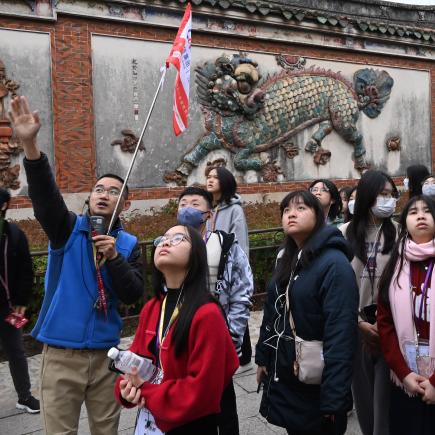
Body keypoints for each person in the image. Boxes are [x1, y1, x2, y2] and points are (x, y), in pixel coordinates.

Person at [9, 95, 144, 434]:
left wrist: (113, 258)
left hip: (105, 356)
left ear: (124, 204)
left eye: (114, 191)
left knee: (106, 430)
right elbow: (44, 197)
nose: (103, 193)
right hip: (60, 356)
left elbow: (133, 294)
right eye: (98, 188)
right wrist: (30, 145)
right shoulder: (66, 229)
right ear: (88, 198)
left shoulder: (129, 246)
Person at [115, 225, 239, 434]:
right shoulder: (152, 307)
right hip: (150, 420)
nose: (165, 242)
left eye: (178, 238)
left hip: (191, 425)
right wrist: (126, 388)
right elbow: (135, 360)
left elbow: (201, 391)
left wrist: (145, 390)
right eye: (162, 238)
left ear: (197, 255)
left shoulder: (207, 313)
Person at [255, 190, 358, 435]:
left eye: (301, 209)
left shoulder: (334, 264)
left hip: (317, 383)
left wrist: (334, 398)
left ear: (319, 216)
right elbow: (273, 311)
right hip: (290, 373)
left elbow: (341, 333)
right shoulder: (289, 258)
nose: (291, 214)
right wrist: (263, 357)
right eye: (286, 210)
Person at [177, 186, 254, 435]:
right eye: (183, 203)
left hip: (217, 342)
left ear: (209, 215)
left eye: (195, 204)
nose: (188, 208)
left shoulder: (226, 246)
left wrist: (232, 337)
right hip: (180, 343)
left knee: (224, 407)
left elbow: (242, 293)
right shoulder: (166, 245)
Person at [340, 170, 399, 435]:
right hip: (356, 329)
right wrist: (357, 322)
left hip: (392, 328)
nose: (388, 200)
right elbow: (337, 287)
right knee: (364, 402)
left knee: (386, 404)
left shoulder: (399, 232)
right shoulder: (343, 234)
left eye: (391, 194)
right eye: (382, 194)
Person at [378, 195, 435, 434]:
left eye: (427, 211)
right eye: (413, 212)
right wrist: (404, 373)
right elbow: (385, 321)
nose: (420, 216)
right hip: (405, 376)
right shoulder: (396, 264)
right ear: (405, 223)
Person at [206, 166, 252, 368]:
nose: (210, 180)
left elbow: (240, 242)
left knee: (236, 308)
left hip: (231, 266)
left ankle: (243, 353)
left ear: (225, 181)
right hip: (211, 267)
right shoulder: (208, 208)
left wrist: (239, 271)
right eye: (208, 177)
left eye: (215, 177)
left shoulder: (234, 209)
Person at [0, 188, 39, 414]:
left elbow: (26, 269)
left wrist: (22, 299)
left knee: (16, 351)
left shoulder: (14, 235)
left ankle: (24, 397)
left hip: (8, 306)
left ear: (3, 206)